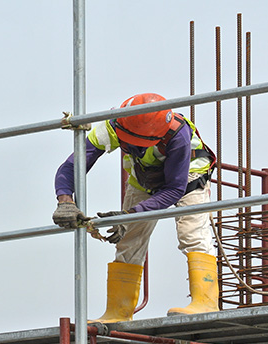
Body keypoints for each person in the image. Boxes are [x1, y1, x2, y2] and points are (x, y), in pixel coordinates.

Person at [52, 93, 218, 323]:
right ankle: (118, 312)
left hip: (189, 177)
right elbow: (72, 165)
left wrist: (130, 215)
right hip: (144, 178)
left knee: (192, 233)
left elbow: (173, 190)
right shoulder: (114, 124)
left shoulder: (177, 133)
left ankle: (206, 302)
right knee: (129, 241)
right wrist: (65, 201)